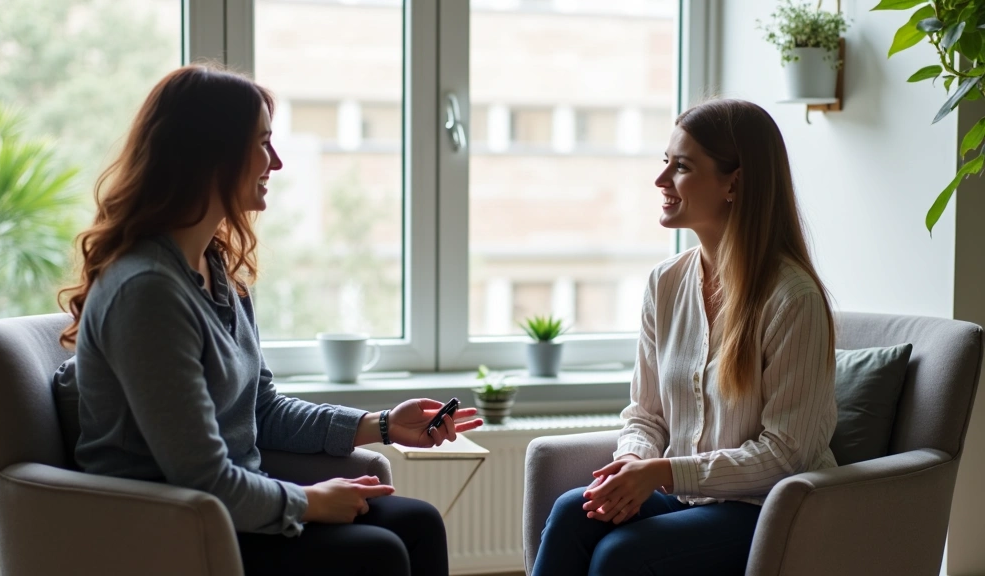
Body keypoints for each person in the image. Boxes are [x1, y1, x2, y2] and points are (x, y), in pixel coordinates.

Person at [56, 63, 482, 576]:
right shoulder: (147, 292)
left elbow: (260, 410)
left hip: (236, 510)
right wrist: (309, 502)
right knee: (380, 553)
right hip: (169, 527)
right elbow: (201, 479)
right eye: (262, 143)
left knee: (418, 523)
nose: (275, 162)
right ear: (211, 155)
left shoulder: (217, 271)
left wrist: (383, 426)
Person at [531, 99, 837, 576]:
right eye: (665, 163)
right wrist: (632, 463)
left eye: (682, 167)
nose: (661, 181)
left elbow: (786, 454)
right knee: (574, 512)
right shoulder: (665, 284)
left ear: (732, 182)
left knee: (621, 555)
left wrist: (665, 473)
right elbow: (645, 415)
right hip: (688, 500)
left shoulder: (792, 299)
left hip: (767, 511)